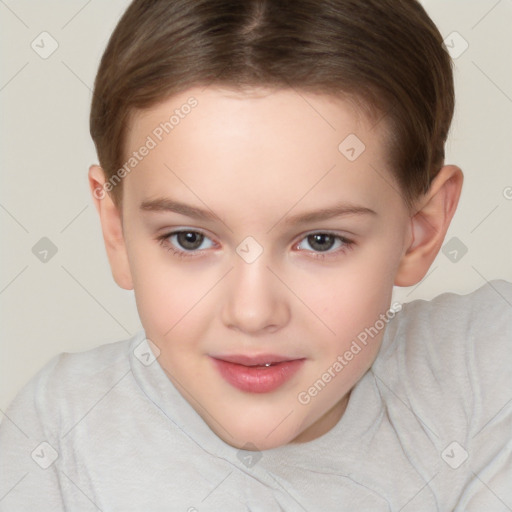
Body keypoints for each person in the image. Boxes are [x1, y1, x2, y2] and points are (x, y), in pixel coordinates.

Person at [1, 0, 511, 510]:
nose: (252, 312)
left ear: (420, 231)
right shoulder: (62, 442)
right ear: (117, 231)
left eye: (321, 241)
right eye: (190, 239)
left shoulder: (480, 376)